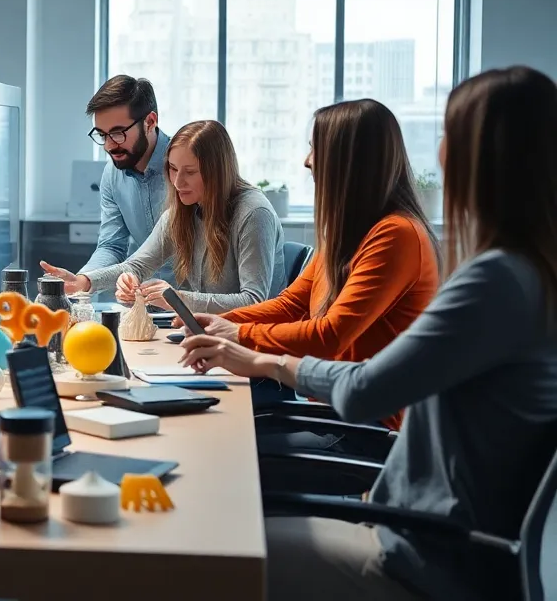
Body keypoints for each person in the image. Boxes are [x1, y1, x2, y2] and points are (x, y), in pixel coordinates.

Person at [181, 66, 557, 601]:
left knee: (211, 545)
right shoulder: (526, 275)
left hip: (426, 552)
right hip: (435, 533)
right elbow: (304, 315)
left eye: (450, 135)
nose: (441, 152)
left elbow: (364, 389)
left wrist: (261, 360)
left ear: (482, 156)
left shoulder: (493, 280)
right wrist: (238, 333)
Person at [189, 99, 438, 430]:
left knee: (223, 437)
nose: (307, 162)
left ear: (347, 161)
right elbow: (292, 304)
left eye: (315, 149)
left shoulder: (397, 235)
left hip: (367, 427)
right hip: (327, 408)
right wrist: (220, 321)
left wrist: (240, 333)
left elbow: (330, 334)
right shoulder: (352, 231)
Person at [82, 119, 282, 313]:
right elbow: (137, 266)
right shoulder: (185, 208)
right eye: (173, 169)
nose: (178, 182)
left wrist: (177, 299)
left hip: (249, 338)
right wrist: (87, 282)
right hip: (207, 332)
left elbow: (254, 301)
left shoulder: (254, 213)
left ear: (217, 173)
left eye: (190, 172)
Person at [40, 74, 175, 291]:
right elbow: (112, 246)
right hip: (141, 306)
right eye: (102, 135)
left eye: (118, 133)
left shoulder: (186, 166)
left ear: (150, 122)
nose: (109, 146)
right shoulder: (112, 174)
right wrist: (80, 281)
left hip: (197, 309)